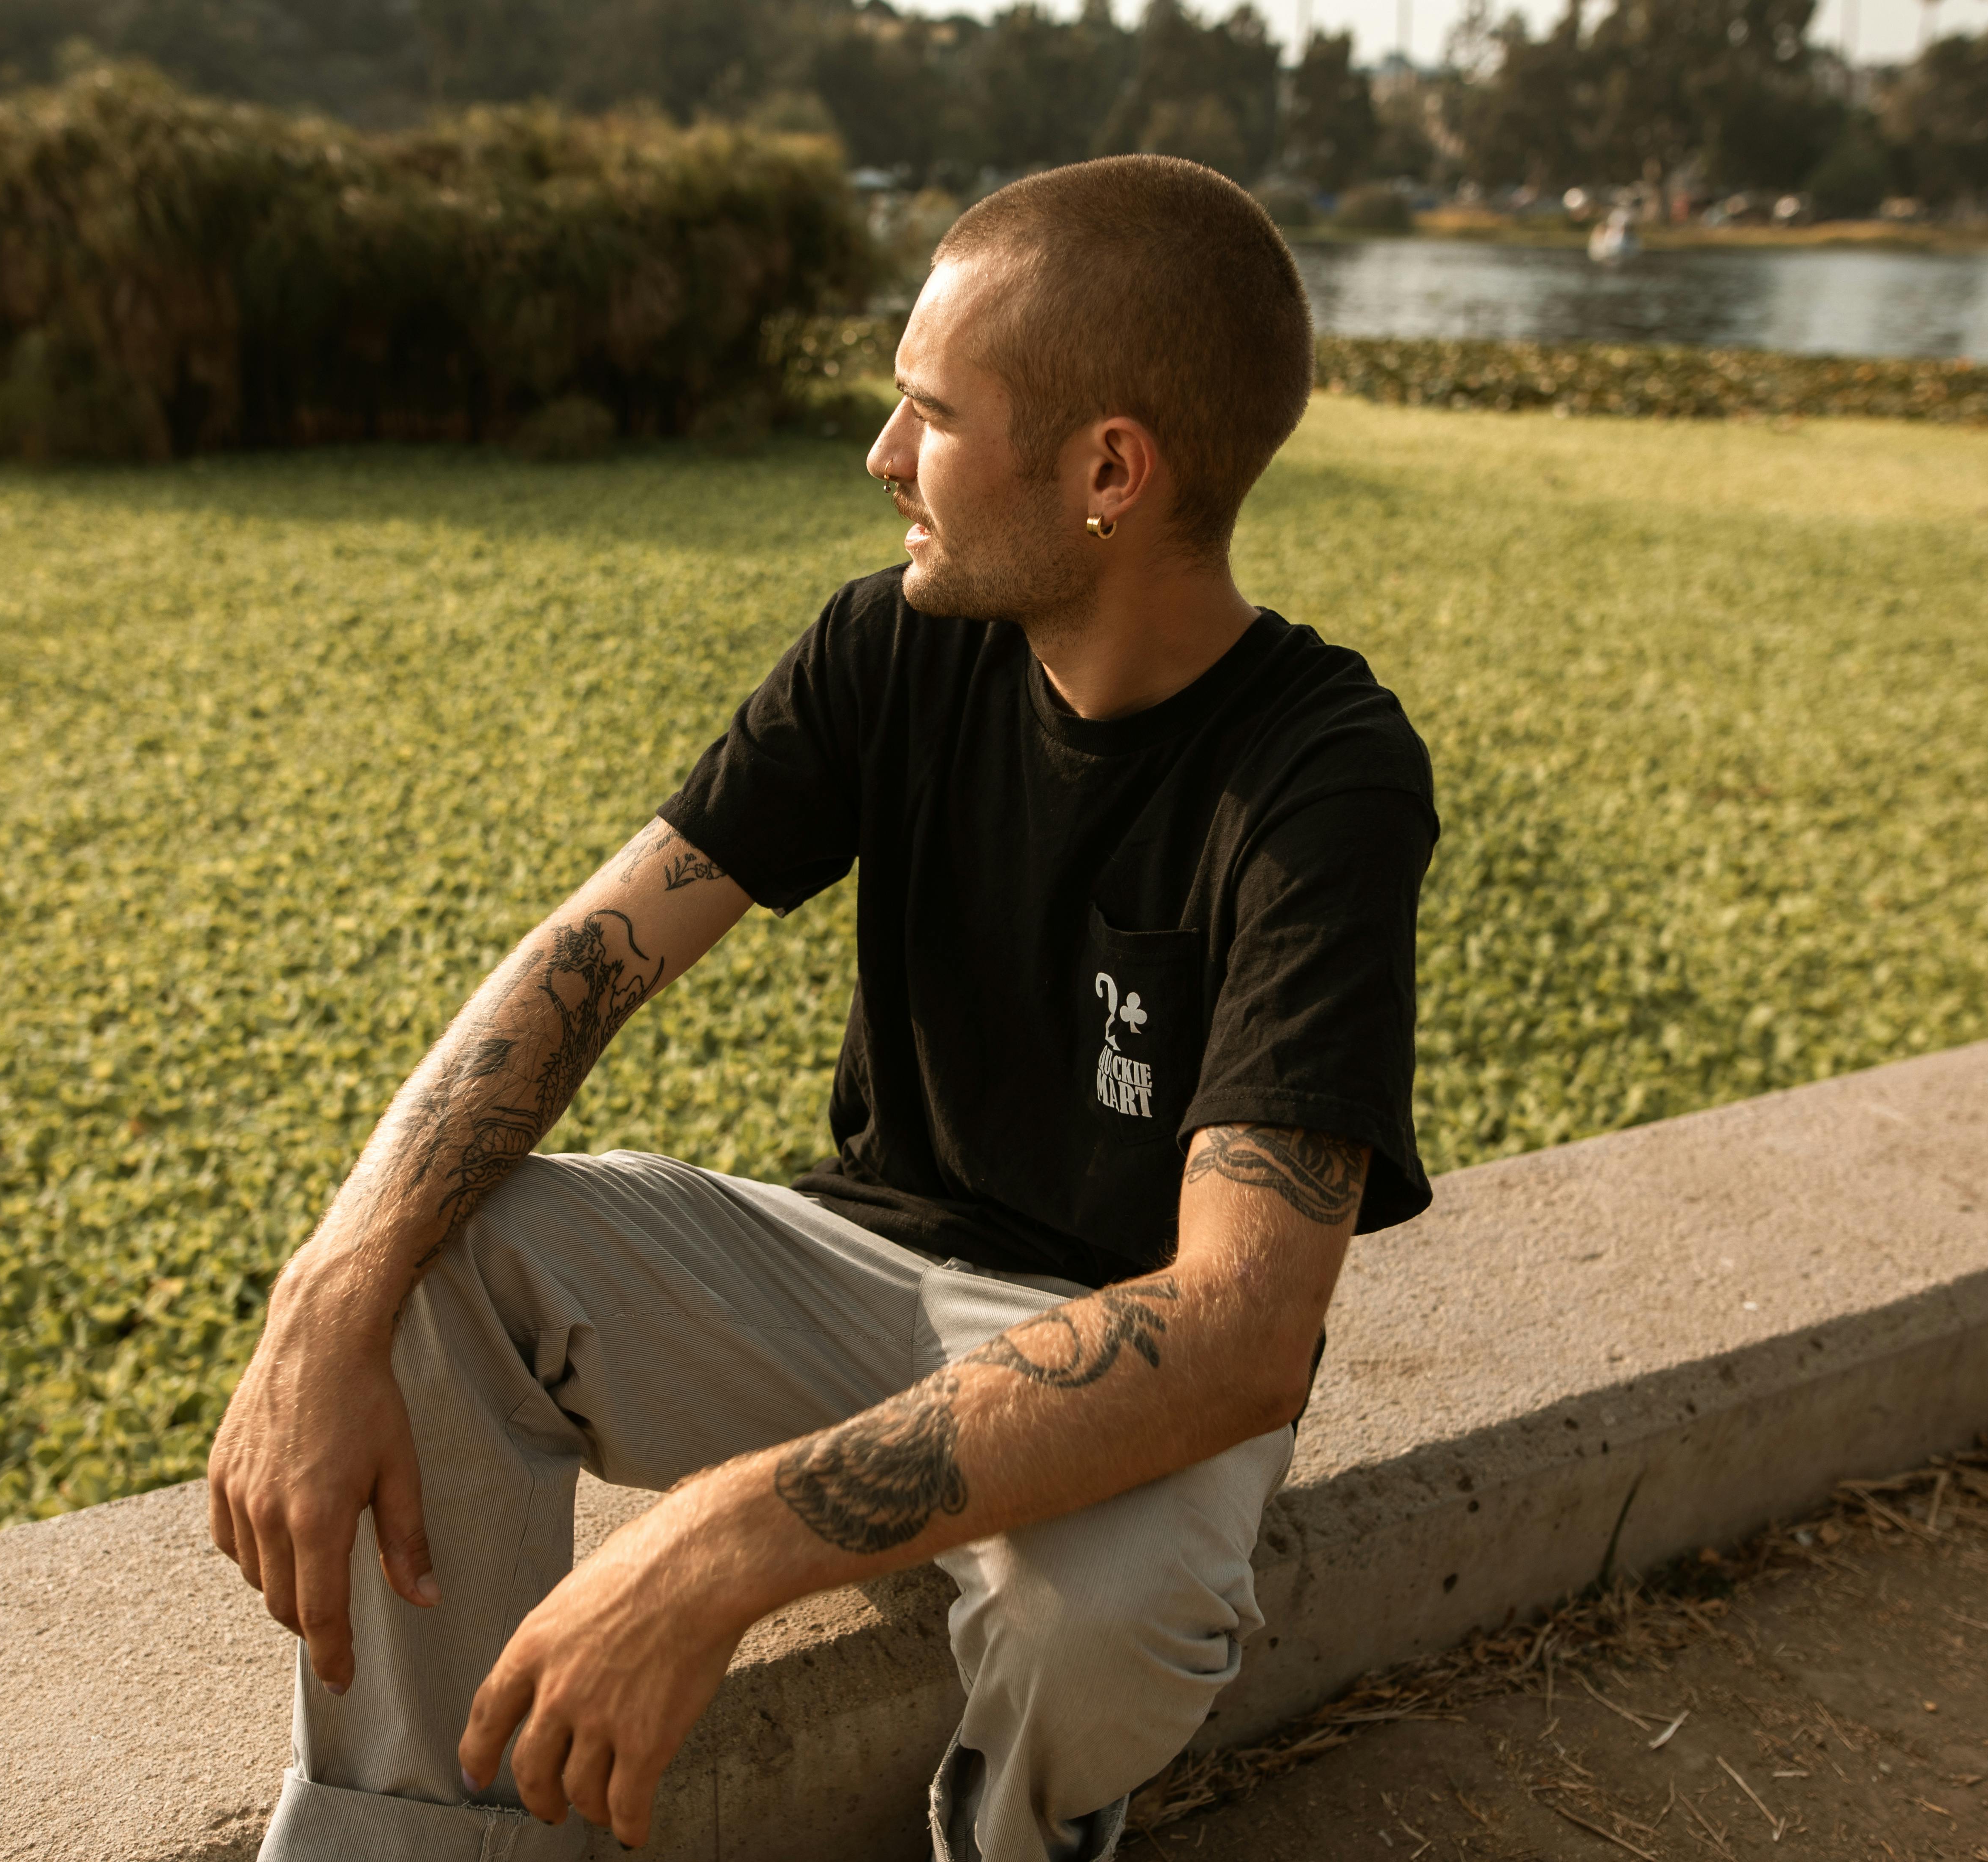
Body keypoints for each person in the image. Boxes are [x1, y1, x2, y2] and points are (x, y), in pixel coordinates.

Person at [209, 154, 1438, 1862]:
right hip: (851, 1272)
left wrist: (723, 1536)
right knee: (436, 1267)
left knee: (1107, 1627)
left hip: (1121, 1344)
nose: (880, 459)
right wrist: (326, 1278)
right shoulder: (894, 649)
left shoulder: (1320, 775)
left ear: (1107, 469)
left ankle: (1015, 1828)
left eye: (928, 413)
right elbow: (590, 958)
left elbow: (1239, 1327)